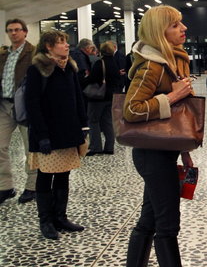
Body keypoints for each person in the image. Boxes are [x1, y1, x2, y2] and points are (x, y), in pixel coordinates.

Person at [123, 5, 194, 267]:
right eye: (175, 25)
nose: (183, 28)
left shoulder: (172, 59)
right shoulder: (153, 65)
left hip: (163, 152)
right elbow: (131, 109)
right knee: (167, 225)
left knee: (150, 219)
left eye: (181, 23)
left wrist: (184, 149)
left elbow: (175, 115)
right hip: (152, 154)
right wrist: (174, 95)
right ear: (159, 31)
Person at [25, 30, 89, 240]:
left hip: (68, 131)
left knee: (64, 173)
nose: (65, 46)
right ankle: (46, 221)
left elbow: (77, 97)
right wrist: (42, 134)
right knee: (45, 175)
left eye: (65, 42)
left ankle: (60, 217)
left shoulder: (69, 66)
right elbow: (32, 104)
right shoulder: (37, 69)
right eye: (60, 43)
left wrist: (83, 125)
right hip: (47, 133)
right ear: (48, 47)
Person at [0, 18, 37, 205]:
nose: (13, 33)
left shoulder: (33, 53)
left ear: (25, 32)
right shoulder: (3, 54)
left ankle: (32, 186)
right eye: (10, 30)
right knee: (0, 146)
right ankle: (5, 186)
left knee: (30, 148)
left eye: (16, 30)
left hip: (25, 107)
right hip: (4, 105)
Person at [85, 42, 123, 156]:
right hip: (111, 97)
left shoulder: (99, 63)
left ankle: (96, 147)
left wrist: (84, 79)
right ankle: (109, 147)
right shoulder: (114, 63)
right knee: (107, 121)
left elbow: (92, 79)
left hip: (98, 97)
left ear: (101, 51)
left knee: (93, 121)